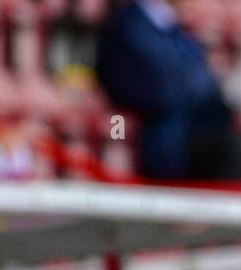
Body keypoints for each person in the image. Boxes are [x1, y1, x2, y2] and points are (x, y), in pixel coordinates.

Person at [95, 0, 234, 180]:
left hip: (195, 127)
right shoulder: (129, 25)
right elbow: (162, 86)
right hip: (159, 132)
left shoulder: (176, 27)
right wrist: (201, 82)